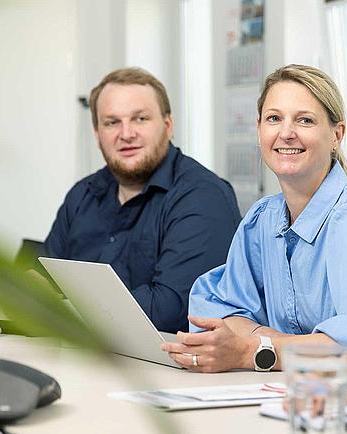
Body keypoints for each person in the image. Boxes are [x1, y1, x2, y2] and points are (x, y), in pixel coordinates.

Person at [161, 64, 347, 372]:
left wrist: (253, 350)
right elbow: (217, 313)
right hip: (295, 392)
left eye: (304, 120)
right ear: (259, 128)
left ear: (336, 135)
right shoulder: (262, 219)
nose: (286, 133)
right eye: (274, 118)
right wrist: (279, 343)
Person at [38, 67, 241, 333]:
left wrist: (63, 309)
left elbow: (169, 312)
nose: (127, 133)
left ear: (167, 126)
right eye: (112, 122)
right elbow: (39, 283)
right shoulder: (82, 195)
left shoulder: (202, 197)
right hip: (78, 361)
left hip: (167, 370)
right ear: (97, 134)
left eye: (140, 119)